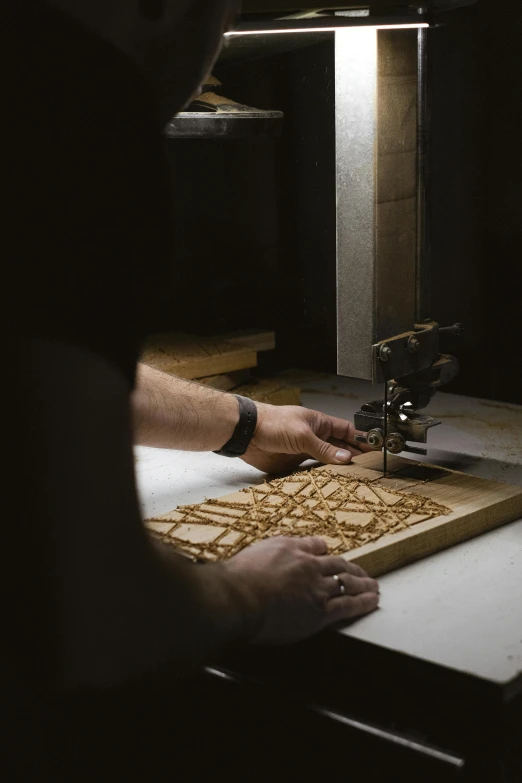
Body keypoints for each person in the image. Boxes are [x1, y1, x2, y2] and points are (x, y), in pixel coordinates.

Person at [3, 0, 379, 777]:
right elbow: (93, 614)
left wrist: (244, 422)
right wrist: (246, 595)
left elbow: (31, 360)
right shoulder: (70, 102)